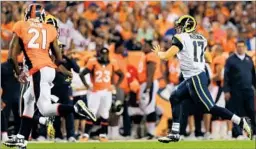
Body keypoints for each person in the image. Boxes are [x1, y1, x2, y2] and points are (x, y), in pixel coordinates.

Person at [4, 4, 96, 148]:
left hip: (37, 71)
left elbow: (11, 56)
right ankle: (22, 137)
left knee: (45, 109)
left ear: (28, 15)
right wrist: (61, 69)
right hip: (49, 70)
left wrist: (18, 72)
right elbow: (59, 58)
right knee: (28, 100)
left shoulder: (21, 25)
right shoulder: (50, 28)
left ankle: (76, 108)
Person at [151, 15, 253, 143]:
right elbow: (208, 58)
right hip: (194, 76)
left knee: (210, 108)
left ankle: (241, 121)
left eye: (180, 25)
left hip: (195, 77)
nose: (178, 28)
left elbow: (166, 56)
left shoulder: (180, 38)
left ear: (186, 26)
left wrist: (158, 53)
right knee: (175, 97)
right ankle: (175, 133)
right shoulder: (201, 38)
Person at [79, 47, 124, 142]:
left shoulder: (112, 62)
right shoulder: (93, 62)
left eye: (106, 54)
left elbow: (121, 74)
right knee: (91, 112)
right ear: (99, 54)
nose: (104, 56)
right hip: (95, 91)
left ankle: (103, 135)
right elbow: (82, 74)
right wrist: (87, 85)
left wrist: (115, 86)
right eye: (102, 54)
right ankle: (86, 134)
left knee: (105, 113)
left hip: (107, 92)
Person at [129, 40, 161, 139]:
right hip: (145, 84)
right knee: (143, 107)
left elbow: (150, 73)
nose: (143, 46)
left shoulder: (151, 55)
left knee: (149, 107)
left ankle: (151, 133)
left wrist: (147, 88)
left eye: (146, 45)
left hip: (149, 84)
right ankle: (147, 132)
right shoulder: (145, 56)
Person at [224, 40, 256, 138]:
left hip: (248, 90)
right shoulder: (230, 60)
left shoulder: (249, 59)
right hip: (235, 90)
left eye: (242, 46)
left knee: (250, 111)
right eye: (238, 46)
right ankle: (238, 133)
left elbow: (253, 75)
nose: (240, 48)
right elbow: (226, 76)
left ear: (245, 47)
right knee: (236, 112)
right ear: (236, 47)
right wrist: (226, 90)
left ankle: (253, 132)